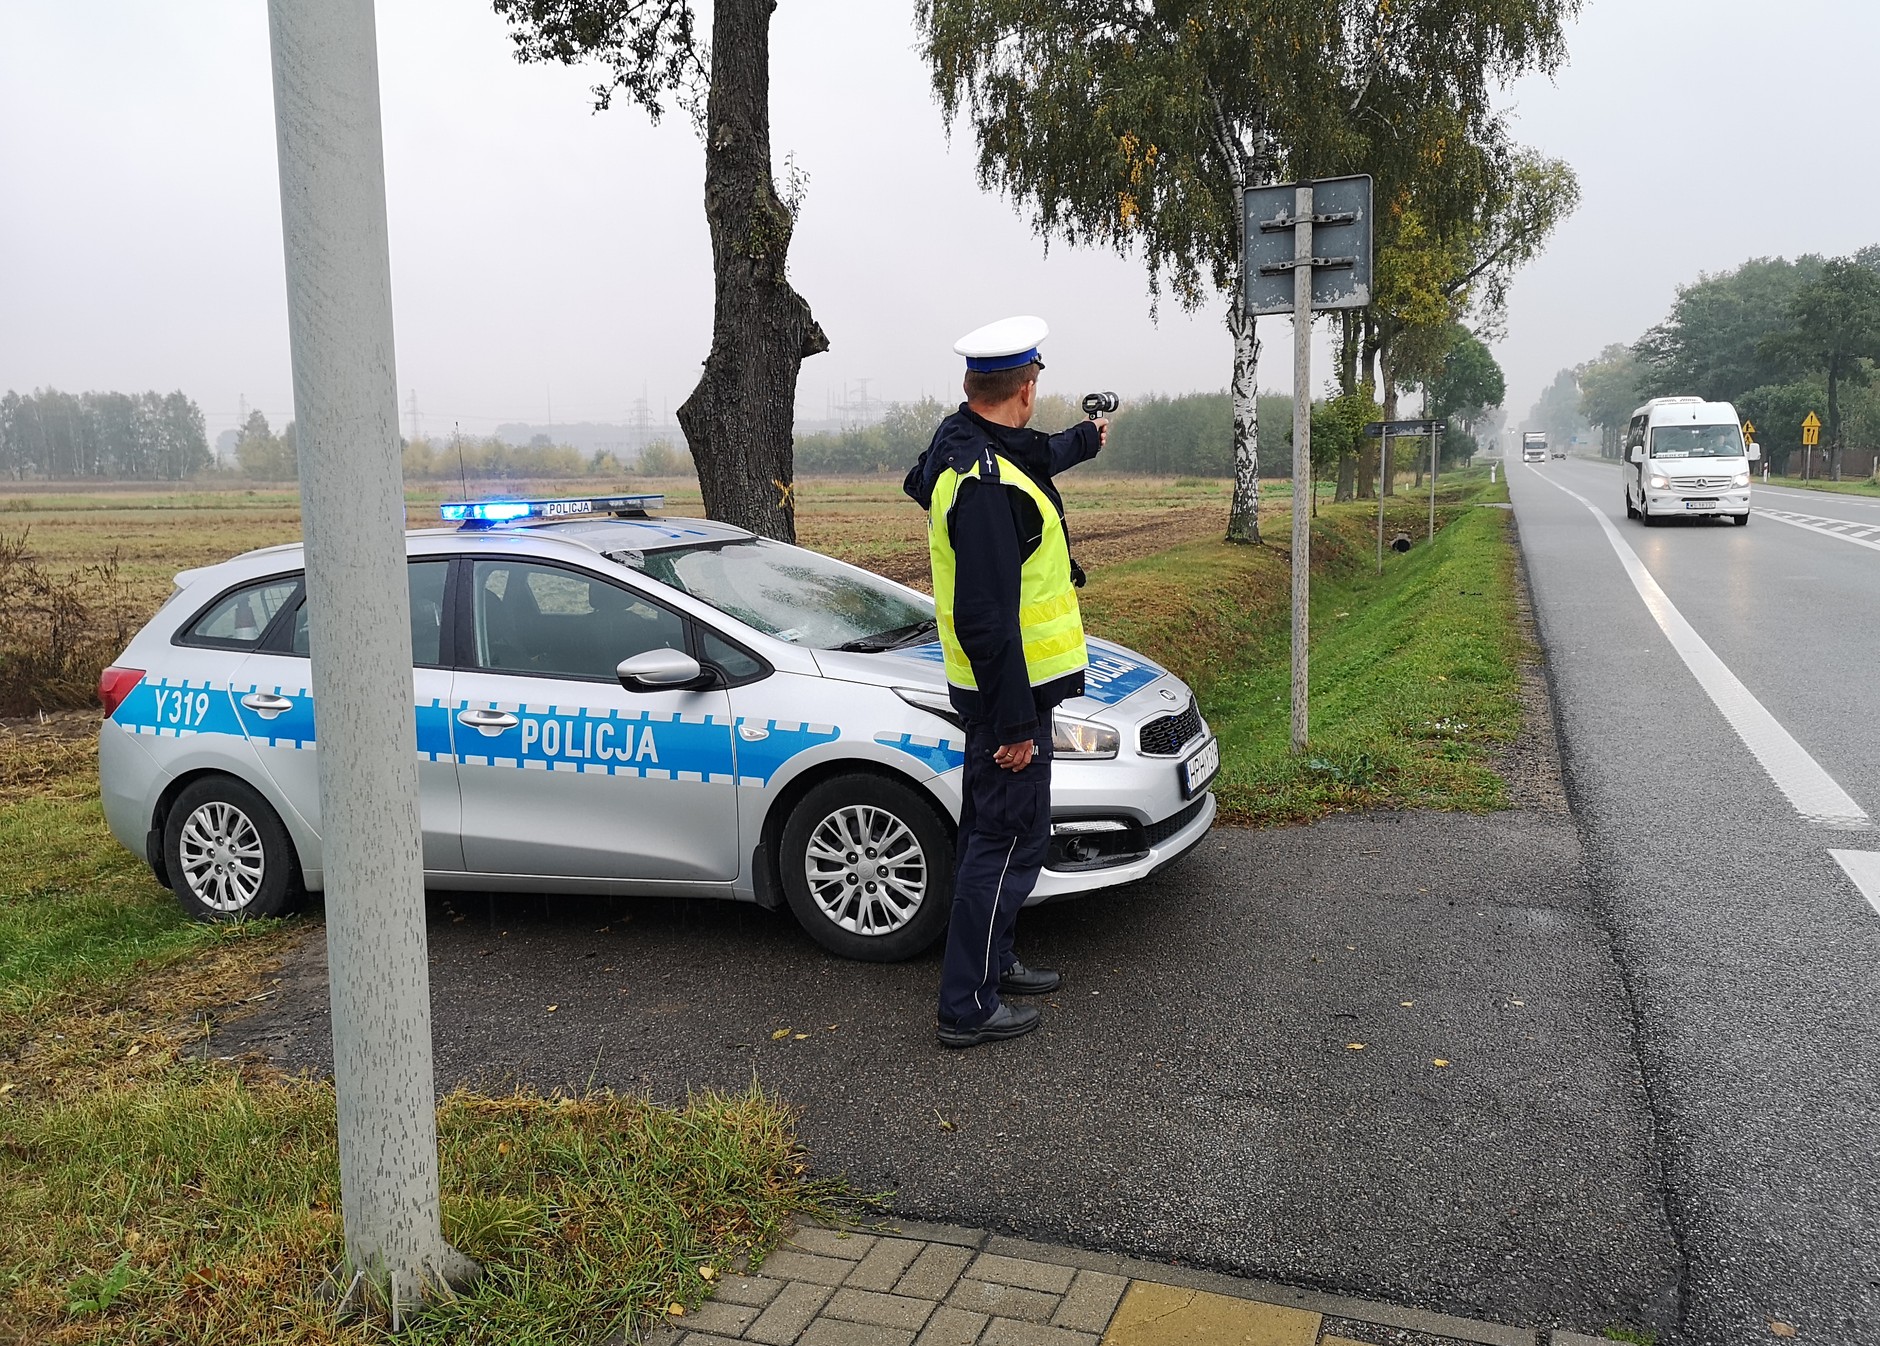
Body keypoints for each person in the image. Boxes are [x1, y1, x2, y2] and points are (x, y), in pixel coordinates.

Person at [903, 315, 1106, 1048]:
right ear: (1024, 390)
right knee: (995, 841)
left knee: (1018, 834)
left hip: (1020, 692)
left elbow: (1033, 454)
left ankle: (997, 960)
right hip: (1005, 700)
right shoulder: (985, 485)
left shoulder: (967, 447)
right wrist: (1015, 723)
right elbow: (986, 616)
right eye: (1035, 385)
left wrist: (1084, 440)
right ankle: (967, 1006)